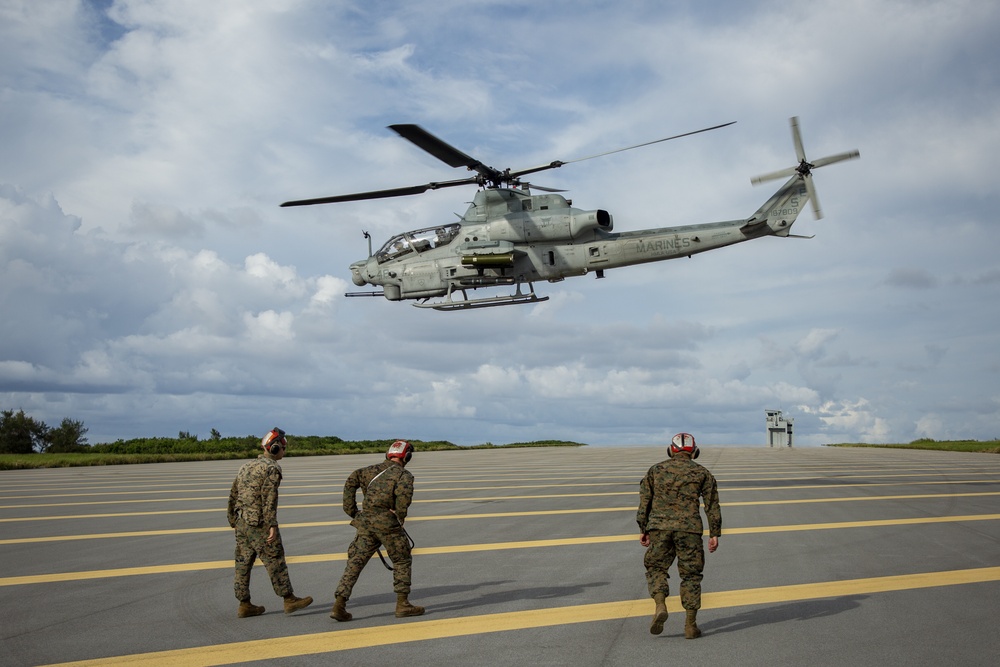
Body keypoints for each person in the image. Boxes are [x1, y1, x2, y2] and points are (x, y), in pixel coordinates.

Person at [636, 432, 722, 638]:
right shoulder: (702, 473)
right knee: (691, 575)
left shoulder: (655, 470)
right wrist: (714, 533)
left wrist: (643, 529)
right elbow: (712, 505)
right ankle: (690, 625)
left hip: (659, 527)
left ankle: (660, 604)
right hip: (690, 529)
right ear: (694, 451)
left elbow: (644, 502)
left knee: (656, 567)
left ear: (671, 450)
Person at [330, 440, 424, 622]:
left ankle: (339, 605)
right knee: (402, 560)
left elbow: (350, 483)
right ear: (407, 457)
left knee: (355, 562)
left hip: (366, 523)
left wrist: (353, 512)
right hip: (388, 524)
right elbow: (403, 501)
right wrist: (399, 517)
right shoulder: (404, 476)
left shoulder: (367, 471)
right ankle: (402, 604)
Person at [227, 427, 313, 618]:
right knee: (275, 560)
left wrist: (233, 518)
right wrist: (272, 524)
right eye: (283, 448)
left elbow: (234, 493)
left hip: (242, 521)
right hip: (260, 523)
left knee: (242, 562)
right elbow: (269, 498)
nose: (284, 452)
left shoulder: (246, 466)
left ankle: (244, 603)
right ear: (274, 449)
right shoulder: (272, 468)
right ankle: (289, 599)